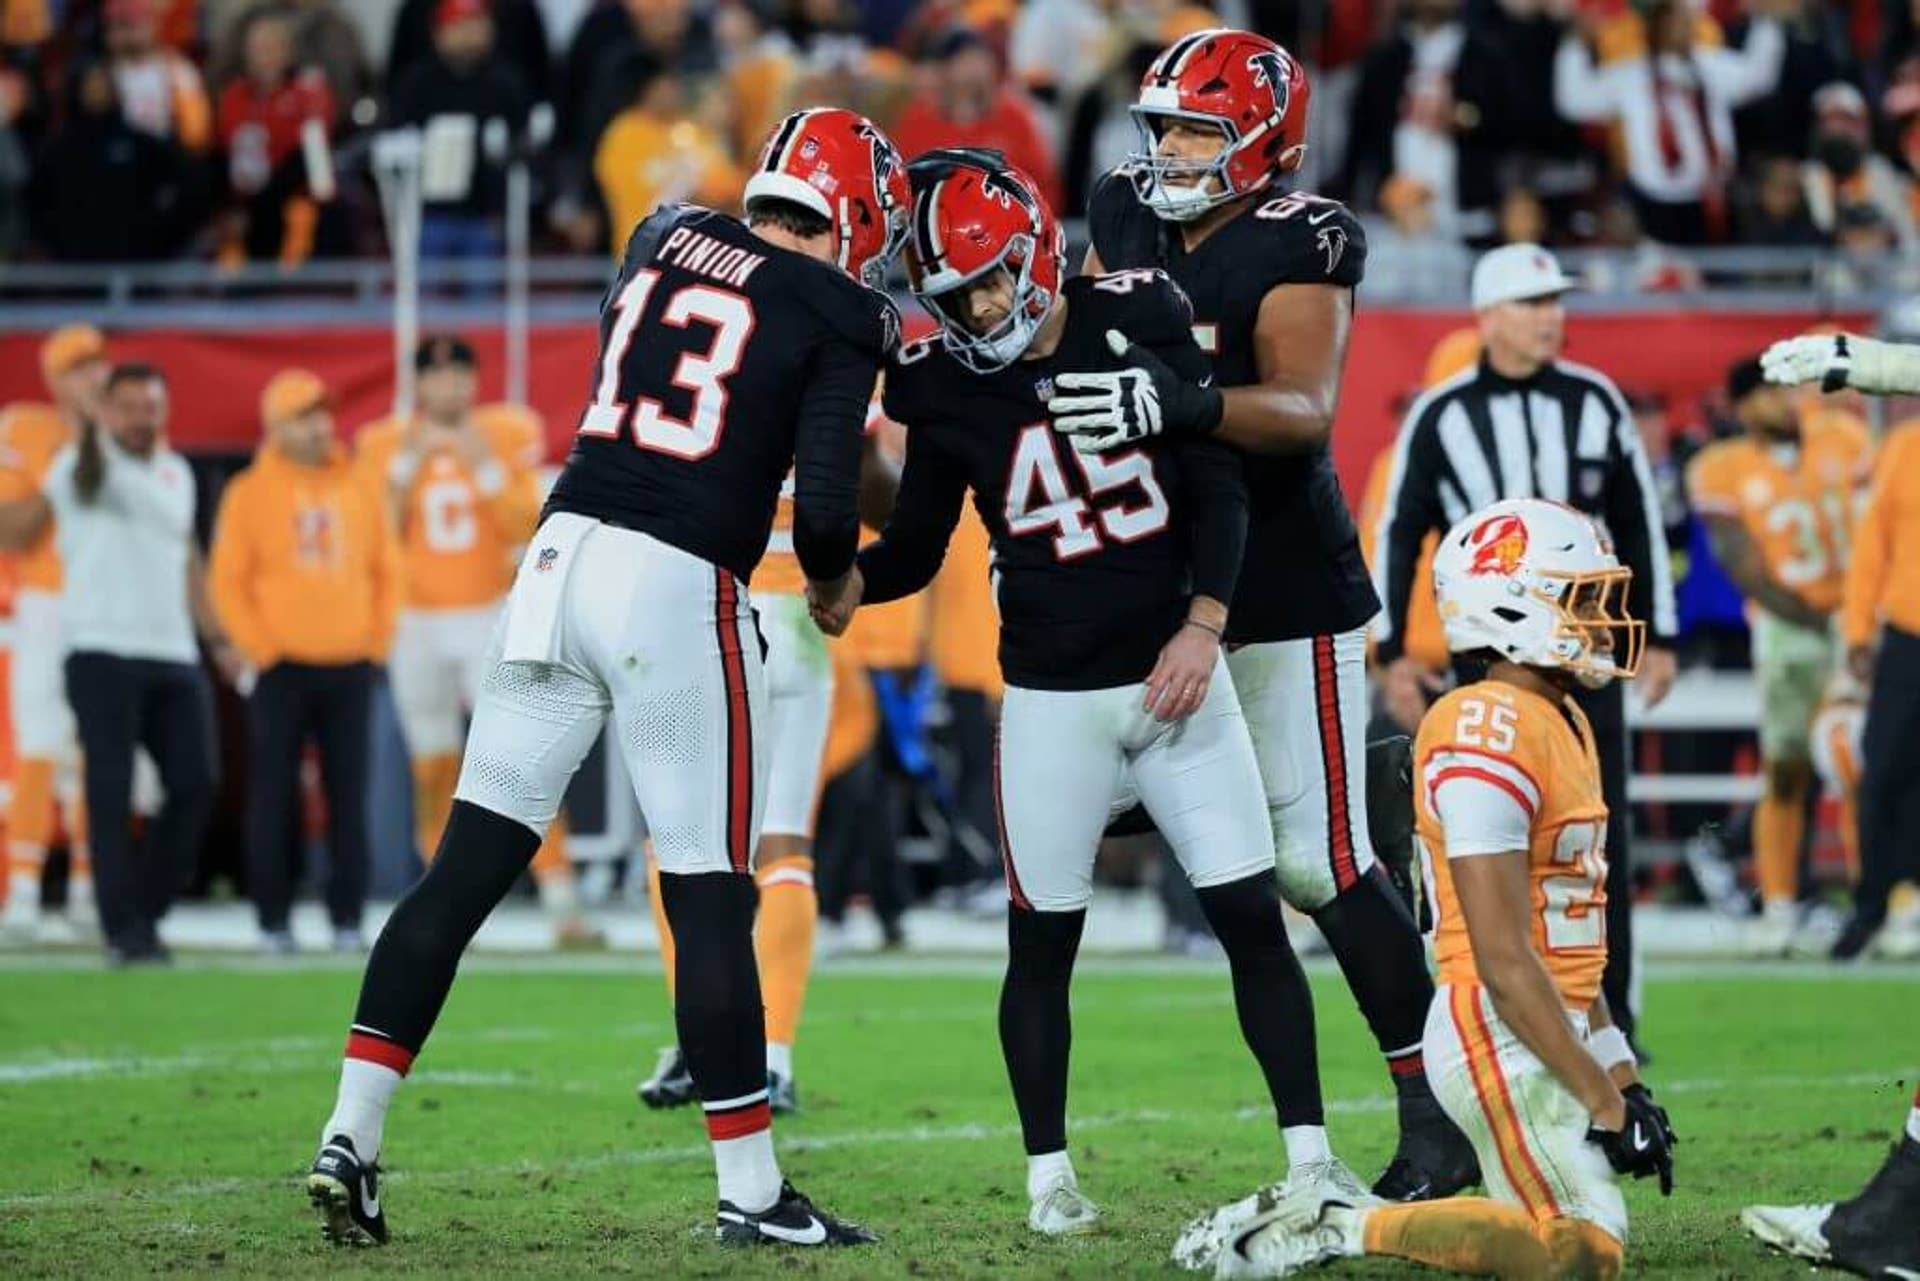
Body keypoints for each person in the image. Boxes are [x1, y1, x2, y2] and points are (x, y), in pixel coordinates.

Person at [303, 106, 911, 1250]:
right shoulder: (845, 305)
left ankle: (352, 1133)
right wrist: (834, 582)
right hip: (674, 582)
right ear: (858, 215)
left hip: (555, 557)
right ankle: (752, 1192)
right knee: (711, 889)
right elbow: (826, 504)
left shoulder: (660, 234)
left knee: (463, 873)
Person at [810, 147, 1337, 1239]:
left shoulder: (1138, 314)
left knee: (1251, 920)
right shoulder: (948, 381)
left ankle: (1313, 1159)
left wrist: (1204, 626)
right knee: (1042, 943)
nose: (984, 305)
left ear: (1037, 253)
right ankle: (1049, 1179)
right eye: (957, 295)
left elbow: (1217, 487)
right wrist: (853, 583)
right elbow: (918, 540)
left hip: (1175, 682)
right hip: (1050, 697)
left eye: (996, 278)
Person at [1055, 27, 1476, 1204]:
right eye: (1168, 126)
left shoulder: (1306, 235)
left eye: (1201, 127)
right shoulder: (1124, 214)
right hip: (1161, 575)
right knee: (1099, 808)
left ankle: (1440, 1107)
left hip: (1286, 585)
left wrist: (1172, 400)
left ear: (1264, 143)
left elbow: (1300, 407)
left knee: (1319, 860)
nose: (1175, 149)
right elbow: (1086, 354)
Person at [1209, 498, 1676, 1280]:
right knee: (1580, 1254)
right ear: (1513, 604)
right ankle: (1340, 1225)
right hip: (1495, 1026)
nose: (1601, 618)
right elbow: (1502, 955)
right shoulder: (1482, 726)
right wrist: (1602, 1099)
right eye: (1580, 597)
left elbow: (1571, 932)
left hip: (1544, 1021)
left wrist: (1620, 1072)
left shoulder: (1563, 717)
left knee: (1575, 1228)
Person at [1371, 242, 1678, 1053]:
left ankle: (1612, 1020)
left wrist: (1663, 632)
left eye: (1555, 303)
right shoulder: (1441, 411)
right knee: (1484, 830)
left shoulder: (1595, 398)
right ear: (1489, 316)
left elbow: (1638, 516)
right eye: (1532, 304)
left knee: (1593, 835)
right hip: (1488, 652)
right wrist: (1392, 647)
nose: (1552, 318)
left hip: (1583, 647)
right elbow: (1400, 528)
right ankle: (1488, 1009)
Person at [638, 421, 900, 1112]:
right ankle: (773, 1055)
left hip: (712, 612)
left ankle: (703, 1046)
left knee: (680, 841)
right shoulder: (839, 354)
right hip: (798, 622)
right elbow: (879, 501)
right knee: (784, 845)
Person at [354, 335, 598, 947]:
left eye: (460, 375)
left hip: (490, 610)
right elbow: (373, 529)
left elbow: (527, 518)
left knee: (522, 754)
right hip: (416, 620)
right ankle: (440, 904)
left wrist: (480, 458)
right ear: (418, 385)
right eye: (437, 378)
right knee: (433, 763)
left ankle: (560, 894)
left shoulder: (505, 430)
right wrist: (407, 467)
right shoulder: (384, 443)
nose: (450, 388)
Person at [0, 363, 223, 966]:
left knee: (195, 781)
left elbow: (180, 540)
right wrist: (87, 441)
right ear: (106, 413)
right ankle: (122, 927)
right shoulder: (77, 467)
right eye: (127, 407)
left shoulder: (176, 472)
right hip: (98, 648)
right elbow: (35, 518)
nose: (140, 418)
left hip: (172, 650)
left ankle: (142, 909)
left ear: (164, 411)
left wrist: (218, 637)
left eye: (151, 406)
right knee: (109, 785)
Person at [210, 369, 400, 954]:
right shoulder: (249, 491)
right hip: (282, 666)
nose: (320, 426)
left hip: (349, 664)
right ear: (276, 426)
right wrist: (262, 651)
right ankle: (273, 919)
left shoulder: (360, 484)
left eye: (323, 413)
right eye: (304, 416)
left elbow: (388, 570)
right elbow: (227, 581)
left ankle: (347, 917)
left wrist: (374, 642)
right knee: (273, 796)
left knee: (350, 793)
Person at [1685, 355, 1868, 954]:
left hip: (1859, 620)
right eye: (1767, 393)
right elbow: (1744, 565)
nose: (1783, 402)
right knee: (1785, 770)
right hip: (1788, 631)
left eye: (1785, 389)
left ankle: (1881, 901)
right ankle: (1781, 904)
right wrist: (1819, 616)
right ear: (1742, 405)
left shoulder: (1841, 435)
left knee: (1860, 761)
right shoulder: (1720, 467)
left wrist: (1860, 612)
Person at [1763, 329, 1920, 957]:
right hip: (1908, 633)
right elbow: (1873, 547)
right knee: (1881, 771)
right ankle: (1874, 903)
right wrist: (1858, 631)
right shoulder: (1905, 448)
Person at [0, 326, 105, 940]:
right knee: (40, 743)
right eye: (77, 368)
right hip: (46, 601)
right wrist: (68, 468)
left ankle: (90, 894)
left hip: (109, 607)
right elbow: (12, 531)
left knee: (100, 751)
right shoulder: (28, 429)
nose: (91, 377)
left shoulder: (125, 433)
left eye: (97, 364)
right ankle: (22, 891)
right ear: (54, 377)